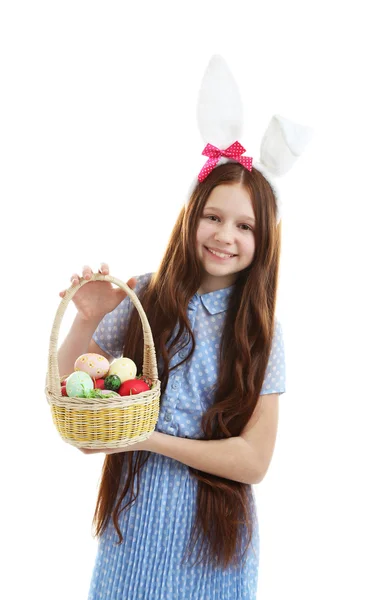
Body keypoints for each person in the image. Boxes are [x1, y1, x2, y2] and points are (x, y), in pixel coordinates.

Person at [57, 159, 287, 599]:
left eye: (245, 226)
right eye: (213, 217)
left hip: (213, 535)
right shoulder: (143, 297)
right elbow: (81, 428)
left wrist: (147, 439)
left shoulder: (261, 331)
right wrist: (85, 321)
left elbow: (254, 461)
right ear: (191, 214)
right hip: (133, 525)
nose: (225, 235)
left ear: (265, 240)